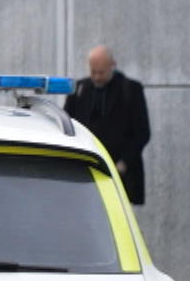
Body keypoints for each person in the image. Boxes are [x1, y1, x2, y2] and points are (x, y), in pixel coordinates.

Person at [64, 46, 151, 205]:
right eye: (93, 71)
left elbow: (142, 133)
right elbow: (67, 126)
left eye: (101, 72)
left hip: (123, 173)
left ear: (113, 65)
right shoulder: (80, 89)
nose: (96, 77)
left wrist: (124, 163)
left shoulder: (131, 90)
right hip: (87, 171)